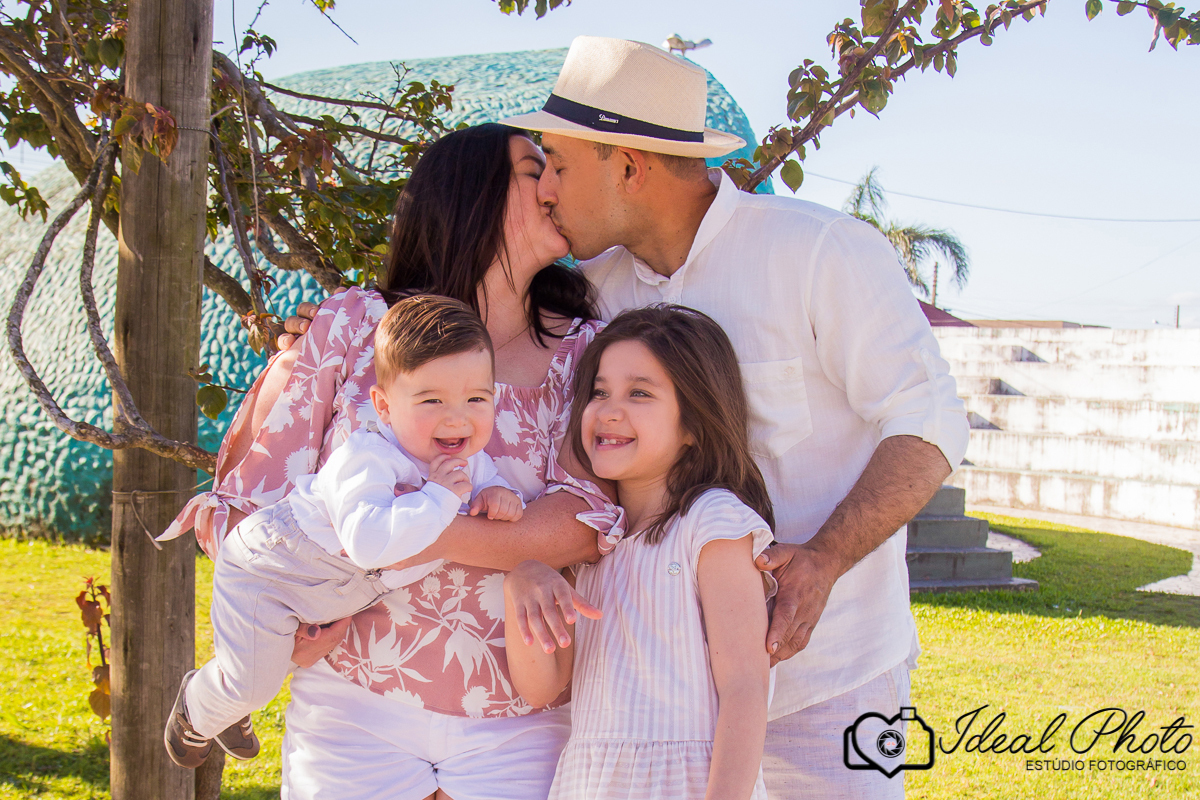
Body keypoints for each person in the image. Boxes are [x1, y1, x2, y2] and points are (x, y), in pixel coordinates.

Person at [497, 36, 971, 798]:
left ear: (629, 167)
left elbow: (930, 424)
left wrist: (824, 558)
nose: (546, 189)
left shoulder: (820, 253)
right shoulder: (593, 290)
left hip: (831, 677)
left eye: (558, 164)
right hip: (658, 722)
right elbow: (482, 333)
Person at [164, 124, 623, 800]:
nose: (553, 185)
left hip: (519, 720)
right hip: (351, 706)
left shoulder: (587, 352)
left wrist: (383, 535)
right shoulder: (357, 324)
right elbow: (255, 492)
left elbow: (583, 522)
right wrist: (285, 620)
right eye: (535, 170)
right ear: (471, 194)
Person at [162, 295, 525, 770]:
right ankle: (196, 709)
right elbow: (369, 544)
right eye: (432, 400)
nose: (457, 417)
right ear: (384, 406)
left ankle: (233, 702)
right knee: (250, 682)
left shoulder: (466, 460)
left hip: (319, 588)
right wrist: (437, 497)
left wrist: (500, 495)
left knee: (263, 667)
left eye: (476, 399)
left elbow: (487, 479)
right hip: (267, 571)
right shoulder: (366, 457)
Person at [505, 306, 775, 800]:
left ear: (694, 423)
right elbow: (542, 688)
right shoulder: (590, 545)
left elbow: (745, 687)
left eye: (639, 393)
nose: (609, 410)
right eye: (599, 392)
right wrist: (520, 580)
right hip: (592, 785)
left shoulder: (711, 522)